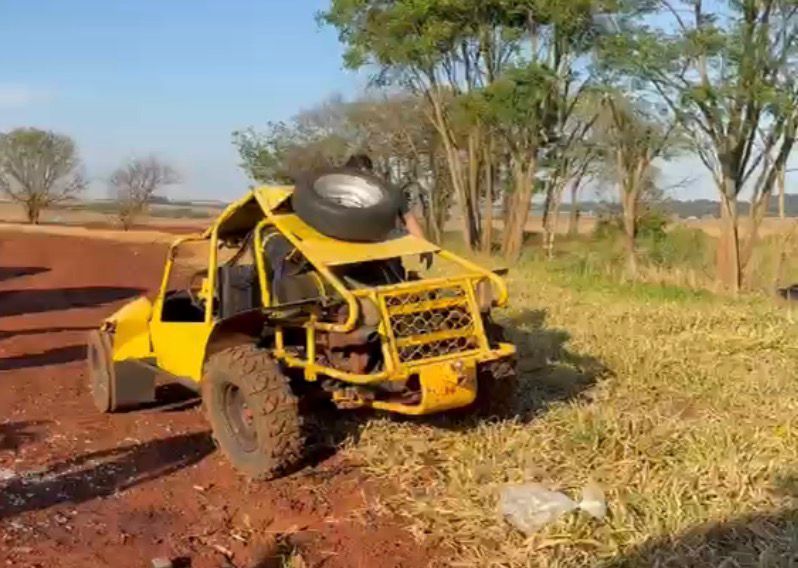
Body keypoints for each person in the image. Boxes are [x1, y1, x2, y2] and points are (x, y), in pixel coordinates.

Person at [344, 154, 426, 240]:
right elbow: (409, 220)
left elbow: (410, 221)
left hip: (381, 247)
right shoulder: (337, 193)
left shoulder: (392, 193)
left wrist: (425, 248)